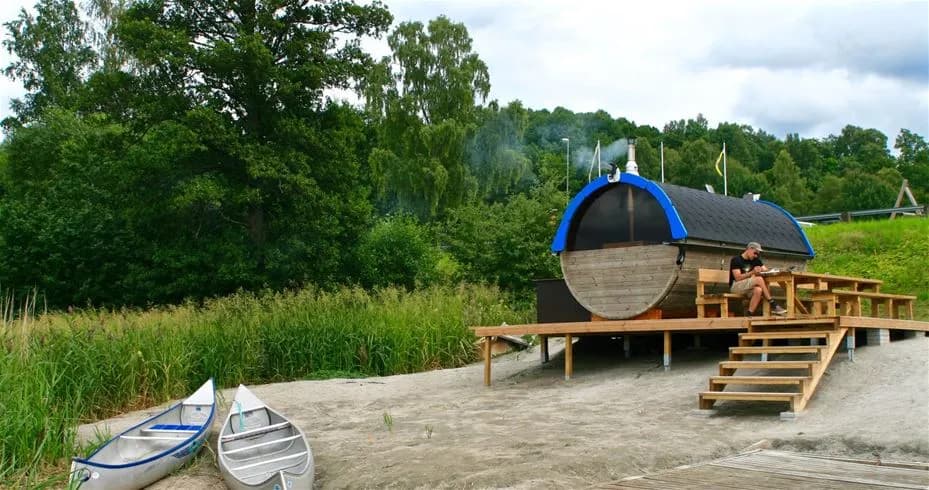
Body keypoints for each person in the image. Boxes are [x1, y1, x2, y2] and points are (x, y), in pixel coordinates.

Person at [730, 242, 788, 316]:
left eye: (758, 254)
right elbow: (738, 278)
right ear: (749, 249)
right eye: (755, 253)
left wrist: (777, 270)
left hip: (748, 287)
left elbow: (766, 270)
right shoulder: (736, 260)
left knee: (758, 290)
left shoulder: (756, 260)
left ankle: (749, 314)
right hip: (736, 286)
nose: (756, 255)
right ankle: (773, 304)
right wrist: (752, 272)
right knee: (758, 279)